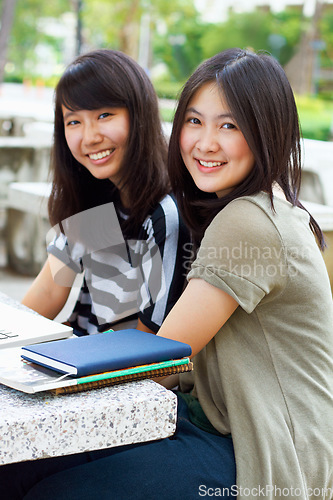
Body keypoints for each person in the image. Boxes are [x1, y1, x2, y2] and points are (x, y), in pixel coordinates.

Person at [2, 48, 333, 499]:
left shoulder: (240, 220)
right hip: (208, 422)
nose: (205, 142)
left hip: (264, 456)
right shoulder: (204, 209)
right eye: (194, 122)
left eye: (229, 125)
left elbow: (159, 358)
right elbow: (42, 301)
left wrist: (42, 383)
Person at [21, 49, 190, 336]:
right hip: (76, 358)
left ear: (139, 115)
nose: (90, 137)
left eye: (104, 115)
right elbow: (49, 293)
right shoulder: (95, 193)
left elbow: (149, 342)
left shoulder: (166, 213)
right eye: (74, 121)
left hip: (117, 373)